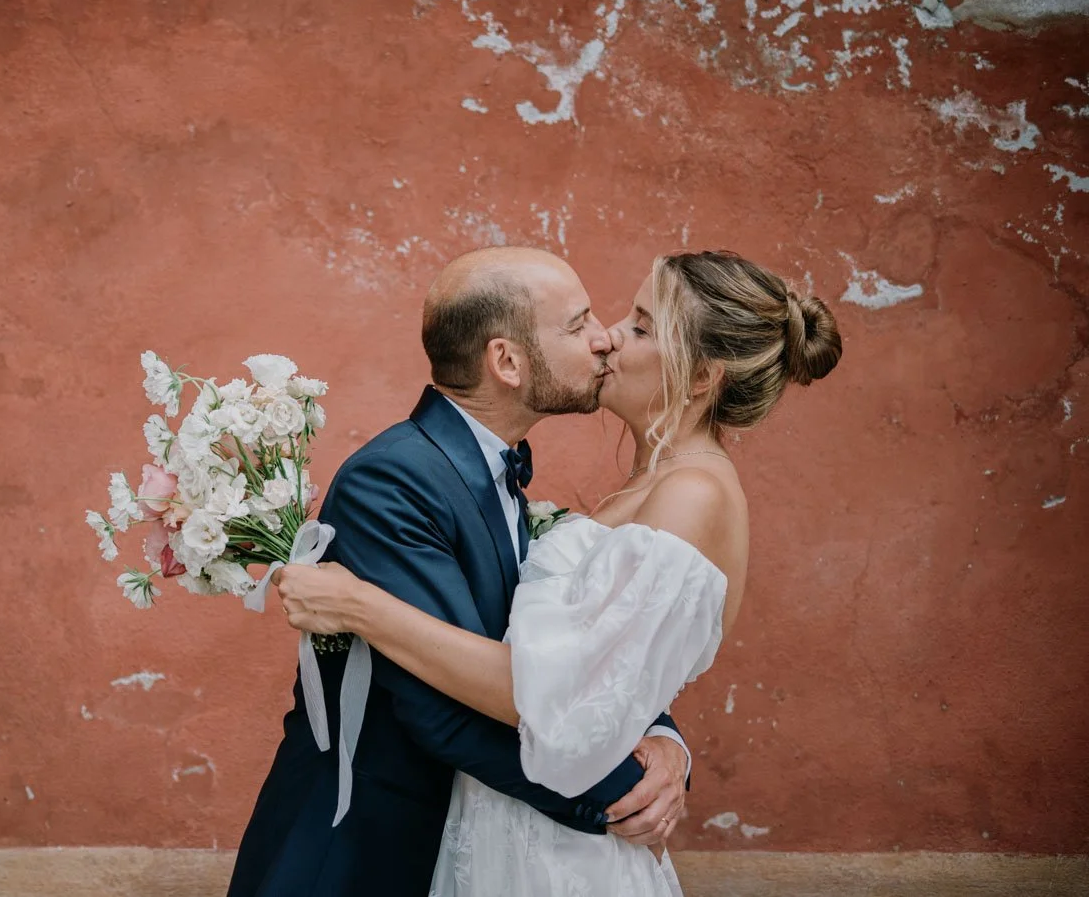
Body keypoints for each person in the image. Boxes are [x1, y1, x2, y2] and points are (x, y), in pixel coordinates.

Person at [276, 249, 843, 895]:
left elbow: (557, 692)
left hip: (554, 854)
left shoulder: (692, 494)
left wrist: (360, 607)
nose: (607, 338)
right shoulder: (425, 476)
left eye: (638, 325)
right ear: (505, 361)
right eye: (594, 322)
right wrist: (654, 744)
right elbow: (598, 666)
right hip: (472, 830)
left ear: (700, 377)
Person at [227, 247, 693, 897]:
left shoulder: (490, 467)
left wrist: (660, 737)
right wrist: (624, 793)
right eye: (577, 323)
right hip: (359, 850)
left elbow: (558, 647)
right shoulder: (391, 481)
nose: (603, 338)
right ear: (507, 361)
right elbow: (444, 711)